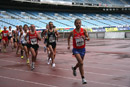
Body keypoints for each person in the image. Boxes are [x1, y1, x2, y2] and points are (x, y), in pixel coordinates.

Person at [67, 18, 90, 84]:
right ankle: (83, 78)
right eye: (77, 23)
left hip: (82, 49)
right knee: (81, 63)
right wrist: (69, 45)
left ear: (81, 23)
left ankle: (74, 68)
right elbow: (68, 38)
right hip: (76, 49)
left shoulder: (84, 30)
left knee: (80, 62)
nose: (78, 24)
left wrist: (85, 38)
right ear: (74, 24)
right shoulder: (72, 32)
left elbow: (88, 39)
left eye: (79, 23)